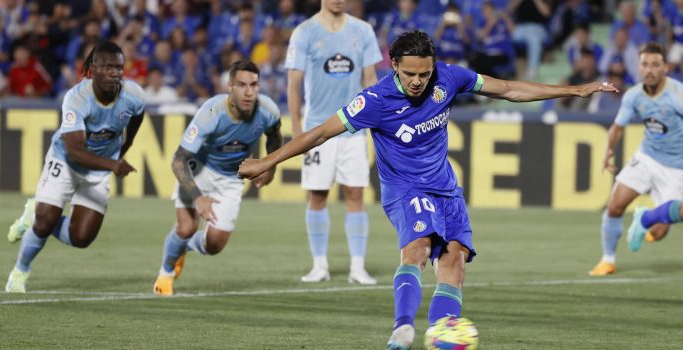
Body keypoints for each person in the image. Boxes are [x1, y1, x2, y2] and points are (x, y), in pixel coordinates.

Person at [239, 30, 616, 350]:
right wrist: (266, 161)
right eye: (409, 74)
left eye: (424, 73)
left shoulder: (449, 78)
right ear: (394, 66)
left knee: (454, 260)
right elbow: (319, 133)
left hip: (445, 188)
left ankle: (441, 330)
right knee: (418, 249)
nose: (418, 81)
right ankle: (402, 328)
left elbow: (510, 89)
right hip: (403, 188)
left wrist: (575, 89)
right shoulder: (373, 100)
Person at [4, 40, 145, 293]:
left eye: (119, 68)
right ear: (93, 68)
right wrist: (113, 163)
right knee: (44, 222)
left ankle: (36, 210)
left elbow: (137, 115)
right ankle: (20, 272)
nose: (114, 73)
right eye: (108, 67)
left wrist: (126, 145)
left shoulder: (133, 95)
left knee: (82, 238)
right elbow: (74, 150)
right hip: (66, 162)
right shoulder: (77, 98)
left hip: (99, 171)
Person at [152, 61, 283, 296]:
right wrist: (199, 198)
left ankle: (184, 248)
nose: (249, 91)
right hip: (198, 170)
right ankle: (165, 275)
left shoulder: (268, 110)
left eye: (254, 85)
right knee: (186, 227)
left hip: (231, 178)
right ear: (230, 86)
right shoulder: (211, 112)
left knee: (214, 246)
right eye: (242, 85)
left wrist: (270, 167)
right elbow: (178, 160)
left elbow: (274, 135)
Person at [285, 0, 382, 284]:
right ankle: (319, 265)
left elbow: (370, 79)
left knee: (356, 194)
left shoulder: (363, 31)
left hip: (354, 129)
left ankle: (357, 267)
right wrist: (296, 129)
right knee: (317, 195)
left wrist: (376, 124)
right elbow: (293, 83)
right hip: (317, 130)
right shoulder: (304, 32)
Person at [590, 43, 683, 276]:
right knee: (615, 205)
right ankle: (607, 259)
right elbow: (618, 127)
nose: (649, 70)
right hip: (646, 157)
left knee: (658, 233)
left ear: (665, 67)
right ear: (639, 67)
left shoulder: (676, 94)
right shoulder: (633, 95)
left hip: (676, 168)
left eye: (655, 65)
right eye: (645, 64)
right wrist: (608, 150)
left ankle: (647, 218)